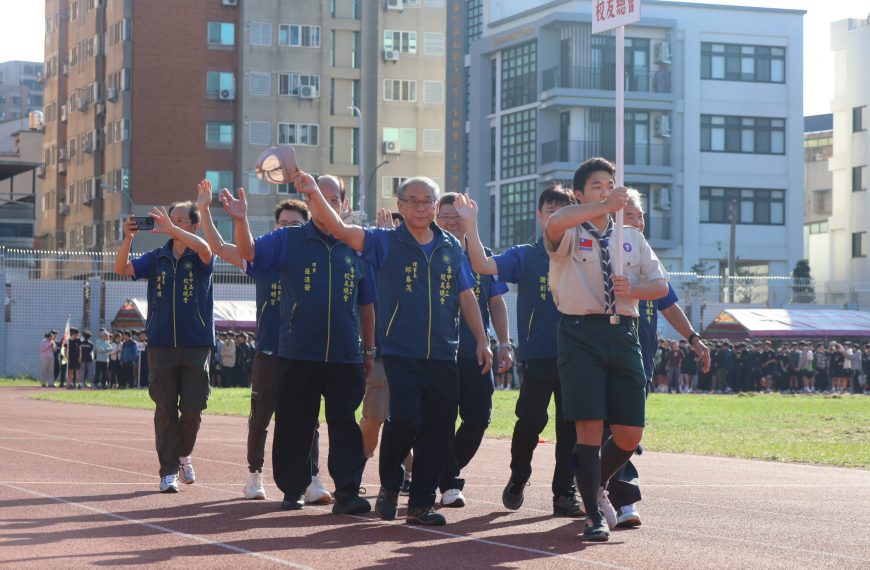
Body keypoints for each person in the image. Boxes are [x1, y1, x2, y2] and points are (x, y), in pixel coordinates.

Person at [306, 173, 493, 526]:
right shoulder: (384, 241)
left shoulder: (451, 247)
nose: (421, 208)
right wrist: (314, 193)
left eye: (428, 202)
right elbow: (342, 230)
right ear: (401, 206)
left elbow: (466, 296)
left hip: (444, 352)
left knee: (438, 428)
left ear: (437, 207)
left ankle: (421, 504)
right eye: (414, 201)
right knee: (405, 420)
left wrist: (482, 340)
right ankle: (390, 485)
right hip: (400, 353)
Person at [230, 174, 376, 516]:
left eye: (334, 199)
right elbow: (249, 251)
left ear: (344, 205)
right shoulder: (289, 239)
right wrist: (240, 219)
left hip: (344, 355)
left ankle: (348, 492)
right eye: (317, 197)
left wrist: (368, 350)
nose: (326, 205)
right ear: (309, 205)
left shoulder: (357, 246)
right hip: (297, 352)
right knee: (294, 423)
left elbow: (366, 302)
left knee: (344, 425)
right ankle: (293, 489)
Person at [544, 157, 668, 541]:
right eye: (596, 186)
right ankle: (593, 514)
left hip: (623, 332)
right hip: (581, 333)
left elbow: (660, 285)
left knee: (630, 434)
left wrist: (633, 290)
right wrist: (601, 207)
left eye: (609, 184)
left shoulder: (630, 236)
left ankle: (596, 483)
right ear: (579, 194)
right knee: (589, 429)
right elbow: (553, 225)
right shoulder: (568, 229)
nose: (605, 190)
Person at [196, 181, 329, 503]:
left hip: (304, 352)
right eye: (282, 224)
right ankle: (254, 475)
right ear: (274, 227)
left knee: (307, 419)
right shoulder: (262, 261)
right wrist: (203, 209)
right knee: (261, 416)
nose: (288, 230)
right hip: (270, 350)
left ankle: (312, 480)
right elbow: (218, 246)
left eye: (295, 225)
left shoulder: (316, 262)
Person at [458, 186, 584, 518]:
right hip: (540, 355)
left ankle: (564, 492)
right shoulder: (525, 255)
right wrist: (470, 225)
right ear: (540, 216)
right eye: (549, 212)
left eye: (563, 212)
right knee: (530, 421)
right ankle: (518, 477)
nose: (556, 218)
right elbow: (483, 265)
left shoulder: (586, 255)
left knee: (570, 427)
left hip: (579, 356)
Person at [606, 187, 710, 527]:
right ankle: (624, 501)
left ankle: (591, 487)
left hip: (641, 362)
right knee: (616, 432)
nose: (638, 223)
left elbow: (669, 304)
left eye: (641, 217)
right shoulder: (606, 259)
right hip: (606, 359)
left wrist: (694, 338)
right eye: (630, 216)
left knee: (627, 434)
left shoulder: (649, 263)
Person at [114, 200, 215, 493]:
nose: (172, 225)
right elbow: (121, 268)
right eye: (171, 220)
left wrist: (175, 230)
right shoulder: (157, 257)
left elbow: (207, 250)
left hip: (196, 344)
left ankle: (184, 455)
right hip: (160, 345)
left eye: (181, 221)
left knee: (194, 408)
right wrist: (129, 237)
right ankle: (168, 471)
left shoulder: (199, 255)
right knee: (165, 409)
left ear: (194, 226)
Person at [434, 193, 512, 508]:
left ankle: (440, 471)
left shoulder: (483, 256)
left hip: (475, 351)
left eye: (458, 216)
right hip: (436, 353)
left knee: (478, 417)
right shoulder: (429, 252)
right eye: (446, 216)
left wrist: (503, 342)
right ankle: (450, 482)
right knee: (439, 419)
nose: (452, 222)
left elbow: (496, 301)